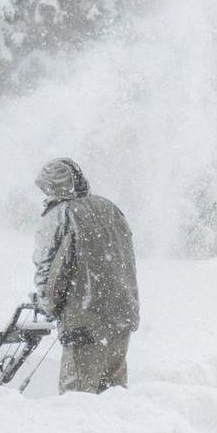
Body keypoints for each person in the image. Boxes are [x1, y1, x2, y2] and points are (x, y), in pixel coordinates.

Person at [32, 158, 139, 394]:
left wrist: (47, 303)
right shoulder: (110, 208)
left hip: (84, 318)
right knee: (113, 392)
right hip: (122, 315)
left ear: (54, 186)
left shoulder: (60, 214)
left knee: (78, 397)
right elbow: (126, 260)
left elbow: (48, 267)